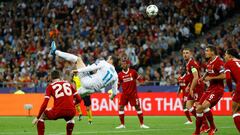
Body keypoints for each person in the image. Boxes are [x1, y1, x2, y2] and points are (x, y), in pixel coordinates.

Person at [50, 41, 118, 99]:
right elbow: (114, 93)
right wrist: (111, 98)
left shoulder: (104, 63)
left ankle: (55, 51)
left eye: (109, 58)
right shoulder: (115, 76)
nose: (107, 59)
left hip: (88, 82)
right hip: (93, 90)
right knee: (72, 96)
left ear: (111, 60)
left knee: (78, 59)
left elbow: (91, 68)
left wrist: (79, 70)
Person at [32, 70, 81, 135]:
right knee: (71, 120)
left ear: (51, 78)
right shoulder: (68, 84)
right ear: (59, 77)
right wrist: (73, 104)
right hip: (71, 111)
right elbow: (79, 99)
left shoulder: (50, 86)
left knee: (41, 117)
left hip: (58, 111)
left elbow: (45, 104)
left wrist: (37, 117)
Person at [193, 45, 225, 135]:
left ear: (213, 52)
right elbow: (207, 71)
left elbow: (224, 76)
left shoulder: (219, 62)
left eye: (207, 51)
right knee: (198, 109)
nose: (205, 52)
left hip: (218, 89)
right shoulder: (210, 61)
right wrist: (202, 78)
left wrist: (211, 78)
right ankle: (197, 131)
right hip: (210, 88)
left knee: (204, 106)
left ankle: (212, 128)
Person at [116, 57, 149, 129]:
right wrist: (115, 90)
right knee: (120, 107)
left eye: (124, 64)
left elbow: (139, 79)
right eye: (122, 64)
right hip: (124, 94)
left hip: (133, 94)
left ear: (128, 65)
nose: (123, 65)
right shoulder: (120, 74)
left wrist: (143, 81)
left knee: (137, 107)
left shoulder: (133, 72)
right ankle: (122, 125)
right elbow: (118, 84)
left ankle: (142, 124)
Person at [182, 48, 209, 132]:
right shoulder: (188, 63)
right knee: (188, 106)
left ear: (190, 54)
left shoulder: (192, 63)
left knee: (198, 106)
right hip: (193, 86)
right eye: (184, 53)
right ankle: (204, 123)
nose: (185, 54)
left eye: (187, 53)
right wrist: (189, 86)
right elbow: (191, 77)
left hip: (197, 87)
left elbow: (196, 77)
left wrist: (191, 88)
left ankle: (206, 125)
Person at [224, 48, 240, 132]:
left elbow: (228, 78)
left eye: (225, 54)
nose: (224, 56)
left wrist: (230, 90)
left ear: (230, 55)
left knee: (235, 111)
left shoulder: (228, 63)